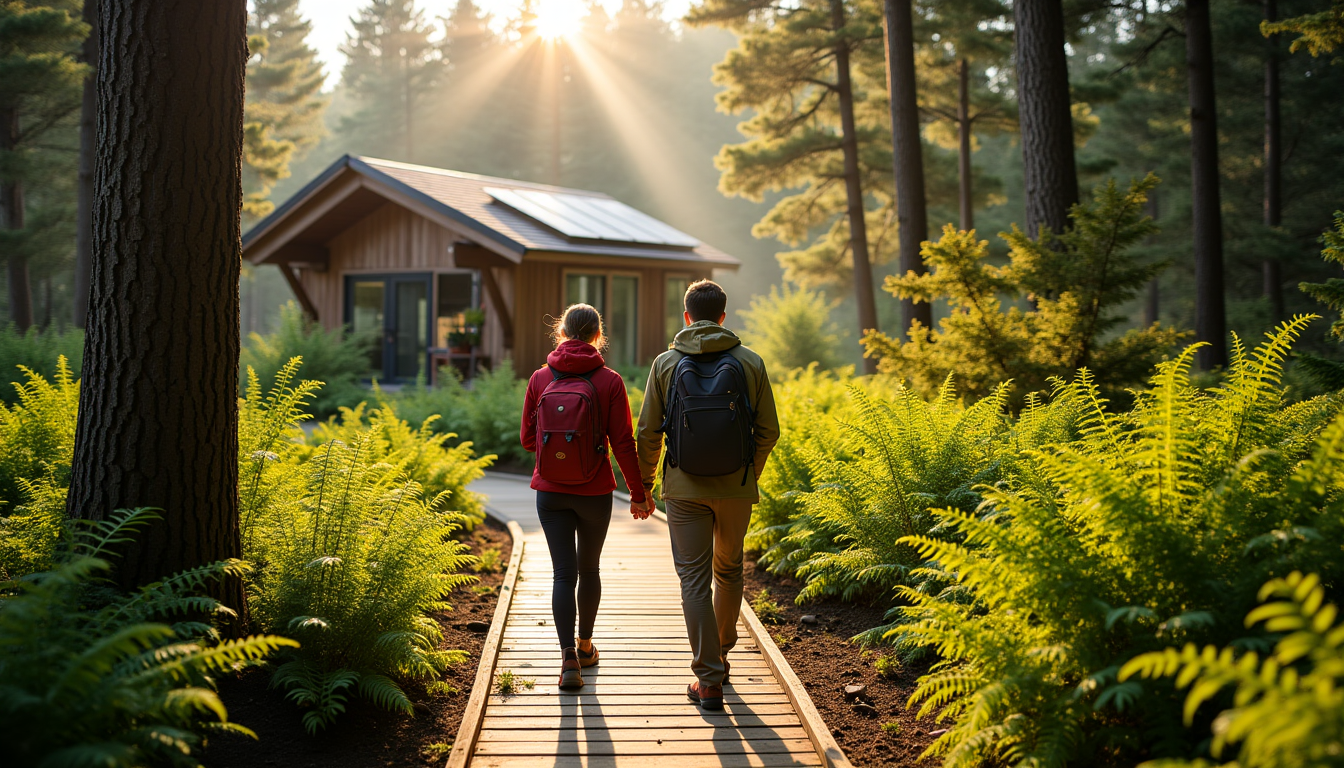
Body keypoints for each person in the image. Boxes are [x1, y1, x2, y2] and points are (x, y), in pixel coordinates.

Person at [634, 279, 779, 710]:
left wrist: (643, 485)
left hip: (683, 489)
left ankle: (708, 678)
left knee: (693, 580)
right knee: (729, 572)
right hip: (736, 488)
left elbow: (648, 431)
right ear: (723, 317)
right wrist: (747, 474)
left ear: (686, 316)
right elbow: (769, 430)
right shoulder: (750, 361)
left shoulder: (665, 363)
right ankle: (721, 660)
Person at [520, 303, 650, 690]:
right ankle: (587, 645)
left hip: (550, 492)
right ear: (597, 335)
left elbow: (528, 440)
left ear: (561, 332)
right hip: (594, 490)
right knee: (588, 569)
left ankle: (567, 662)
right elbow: (623, 443)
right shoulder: (609, 380)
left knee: (563, 573)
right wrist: (639, 495)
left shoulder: (540, 377)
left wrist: (557, 450)